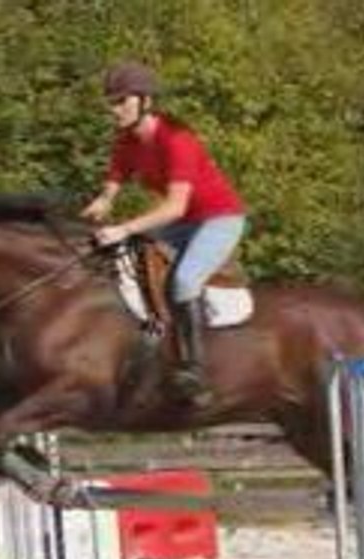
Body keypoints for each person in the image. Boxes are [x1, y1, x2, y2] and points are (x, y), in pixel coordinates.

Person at [82, 60, 246, 408]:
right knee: (129, 262)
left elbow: (172, 208)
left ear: (145, 101)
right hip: (186, 219)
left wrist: (123, 227)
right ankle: (149, 347)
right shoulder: (128, 139)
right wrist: (105, 199)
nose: (114, 110)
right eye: (110, 103)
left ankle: (195, 371)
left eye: (121, 101)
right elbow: (117, 172)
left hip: (218, 219)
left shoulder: (177, 140)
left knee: (185, 282)